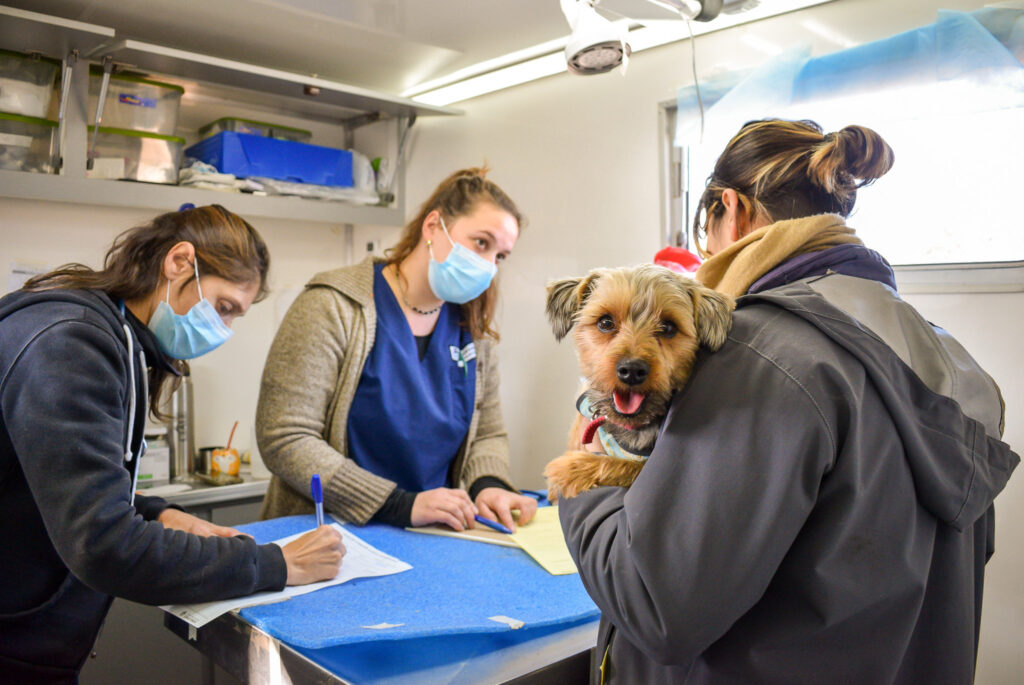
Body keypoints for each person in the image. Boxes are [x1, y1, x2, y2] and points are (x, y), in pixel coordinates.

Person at [558, 119, 1019, 684]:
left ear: (732, 210)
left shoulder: (758, 355)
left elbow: (656, 606)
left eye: (705, 237)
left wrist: (584, 472)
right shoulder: (946, 358)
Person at [0, 205, 344, 684]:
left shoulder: (115, 338)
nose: (222, 331)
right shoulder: (70, 343)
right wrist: (277, 565)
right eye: (223, 307)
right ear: (179, 261)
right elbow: (103, 545)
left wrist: (156, 513)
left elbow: (58, 483)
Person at [257, 168, 538, 533]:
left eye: (500, 256)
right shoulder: (334, 306)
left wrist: (490, 486)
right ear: (433, 226)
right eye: (481, 243)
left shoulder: (473, 331)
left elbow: (487, 434)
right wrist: (398, 504)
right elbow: (285, 438)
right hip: (328, 536)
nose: (488, 266)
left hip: (432, 536)